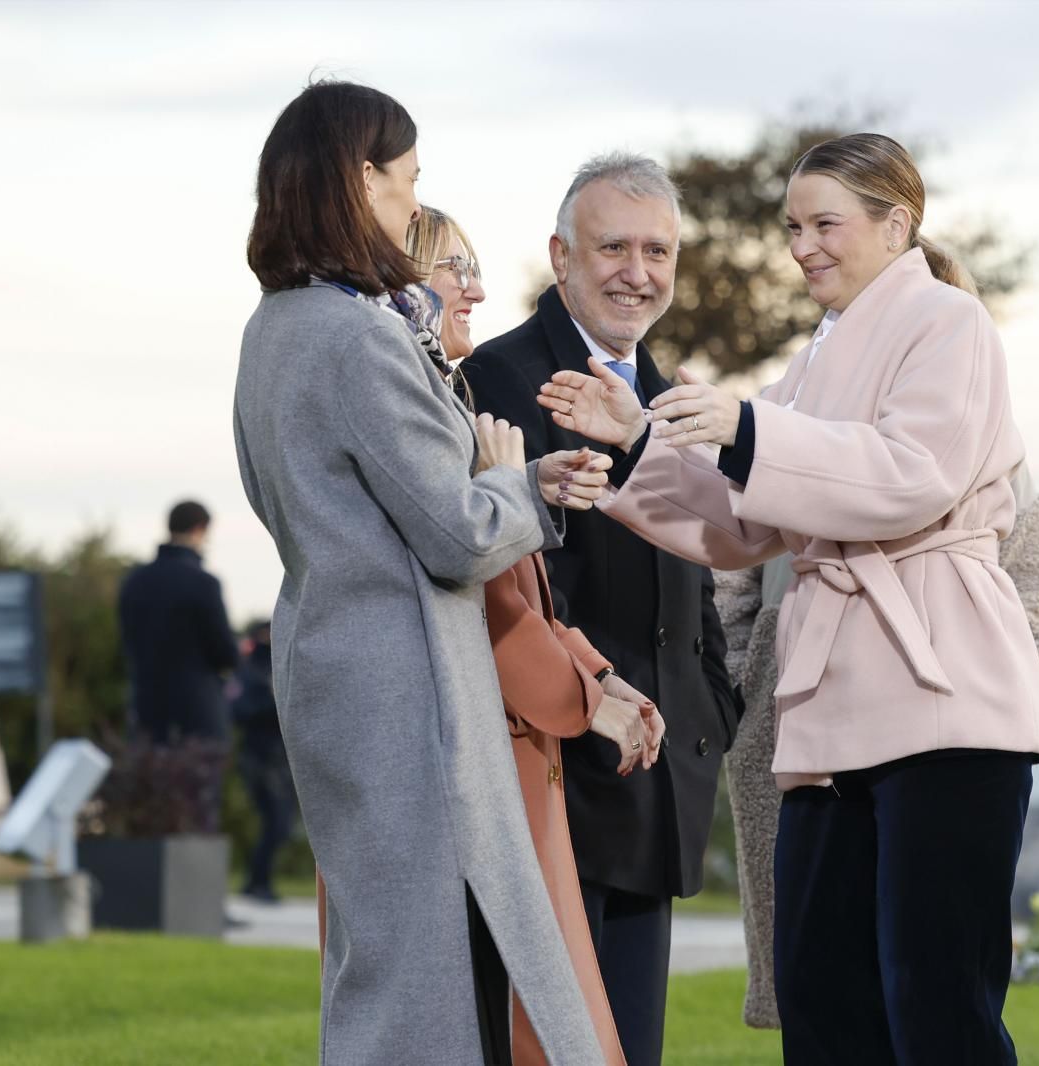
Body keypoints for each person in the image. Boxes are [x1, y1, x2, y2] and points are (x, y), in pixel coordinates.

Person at [541, 133, 1039, 1066]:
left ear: (896, 224)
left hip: (944, 697)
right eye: (792, 227)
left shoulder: (949, 324)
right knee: (819, 998)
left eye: (826, 223)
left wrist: (744, 425)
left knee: (935, 1005)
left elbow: (913, 474)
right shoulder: (817, 359)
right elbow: (742, 527)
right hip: (829, 716)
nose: (802, 247)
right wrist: (637, 447)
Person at [234, 80, 604, 1064]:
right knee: (416, 983)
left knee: (381, 959)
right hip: (406, 686)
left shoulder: (271, 329)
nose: (410, 201)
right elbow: (457, 533)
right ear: (360, 179)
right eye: (406, 179)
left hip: (329, 666)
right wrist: (532, 486)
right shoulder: (358, 335)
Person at [318, 206, 667, 1066]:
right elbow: (472, 583)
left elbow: (516, 589)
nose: (475, 287)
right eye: (451, 269)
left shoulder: (445, 389)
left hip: (495, 738)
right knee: (496, 1017)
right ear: (397, 278)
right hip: (469, 749)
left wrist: (594, 673)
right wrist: (586, 693)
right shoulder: (422, 399)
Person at [461, 154, 743, 1066]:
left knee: (634, 1047)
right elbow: (502, 581)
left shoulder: (670, 395)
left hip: (657, 772)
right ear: (561, 255)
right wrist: (586, 704)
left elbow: (701, 564)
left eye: (657, 250)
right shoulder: (497, 381)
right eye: (612, 245)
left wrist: (711, 702)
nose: (638, 271)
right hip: (555, 769)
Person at [715, 464, 1039, 1029]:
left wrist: (1010, 680)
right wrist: (745, 684)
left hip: (950, 707)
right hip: (795, 700)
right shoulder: (788, 414)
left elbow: (1029, 576)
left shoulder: (978, 424)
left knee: (935, 985)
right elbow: (729, 572)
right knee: (818, 982)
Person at [118, 500, 239, 746]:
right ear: (200, 529)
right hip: (197, 713)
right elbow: (225, 653)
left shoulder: (134, 582)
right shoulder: (203, 583)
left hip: (146, 708)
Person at [231, 620, 292, 903]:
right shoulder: (251, 672)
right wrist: (273, 705)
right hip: (260, 759)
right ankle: (258, 883)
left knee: (278, 824)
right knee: (275, 822)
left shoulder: (277, 666)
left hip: (277, 759)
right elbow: (240, 711)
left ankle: (258, 881)